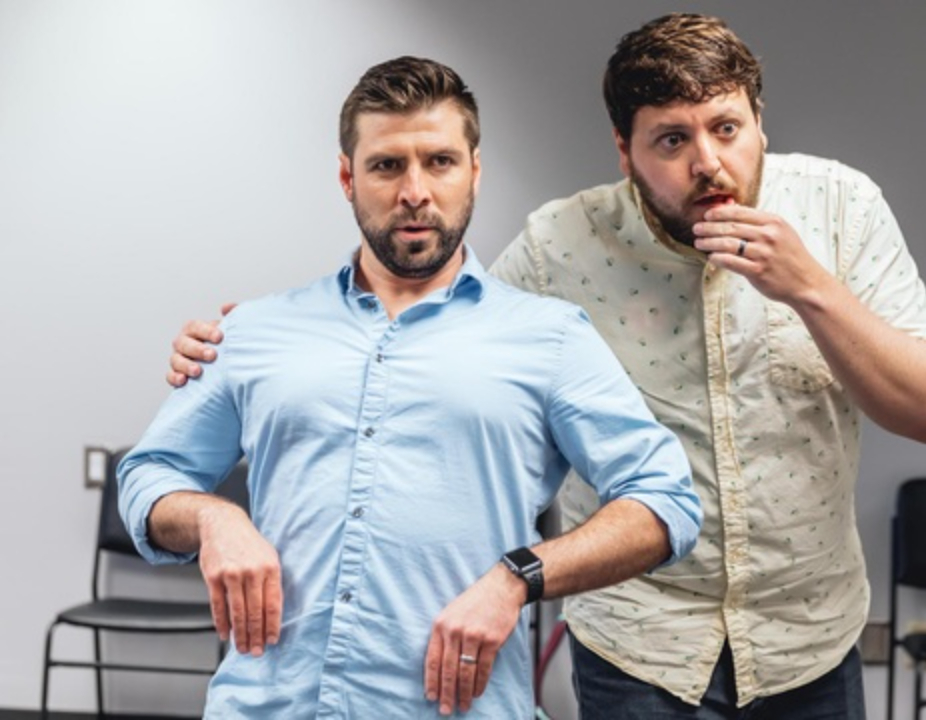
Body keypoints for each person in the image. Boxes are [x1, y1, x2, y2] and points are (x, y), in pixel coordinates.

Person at [168, 13, 926, 719]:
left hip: (807, 633)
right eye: (672, 141)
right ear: (625, 150)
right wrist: (267, 339)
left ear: (759, 120)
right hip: (640, 640)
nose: (708, 164)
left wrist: (812, 289)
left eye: (727, 128)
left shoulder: (841, 210)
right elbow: (446, 322)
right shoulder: (562, 247)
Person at [120, 56, 701, 719]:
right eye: (387, 165)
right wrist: (215, 518)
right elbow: (149, 476)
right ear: (348, 177)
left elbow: (665, 502)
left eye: (440, 162)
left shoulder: (551, 338)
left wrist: (519, 576)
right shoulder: (255, 330)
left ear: (474, 171)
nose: (414, 191)